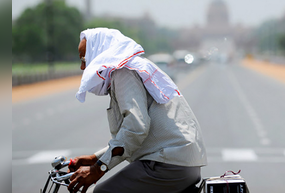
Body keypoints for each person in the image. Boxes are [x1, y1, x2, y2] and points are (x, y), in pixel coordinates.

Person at [67, 28, 207, 193]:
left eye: (84, 58)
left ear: (97, 52)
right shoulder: (130, 68)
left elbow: (136, 127)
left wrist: (98, 169)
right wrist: (94, 159)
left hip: (167, 164)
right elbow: (131, 133)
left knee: (102, 192)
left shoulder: (123, 72)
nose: (83, 66)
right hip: (181, 163)